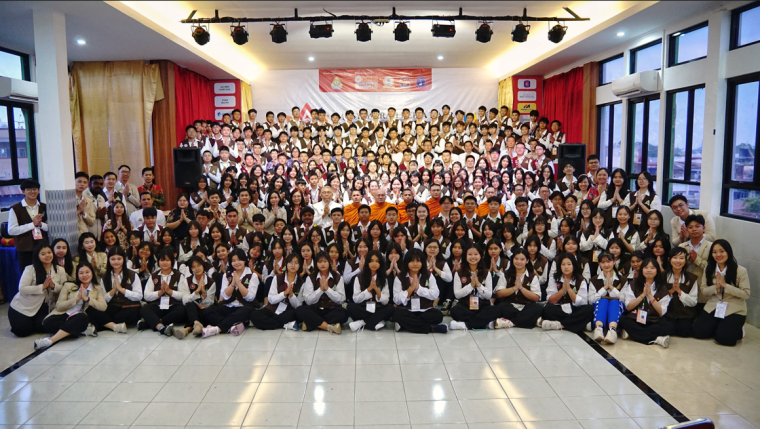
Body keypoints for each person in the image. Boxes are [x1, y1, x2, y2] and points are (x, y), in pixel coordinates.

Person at [35, 262, 106, 350]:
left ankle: (51, 340)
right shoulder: (69, 285)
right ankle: (82, 330)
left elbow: (103, 307)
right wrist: (76, 300)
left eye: (87, 272)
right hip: (64, 313)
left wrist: (87, 299)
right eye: (81, 273)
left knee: (82, 318)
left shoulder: (97, 288)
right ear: (77, 274)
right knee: (47, 323)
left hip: (79, 316)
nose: (84, 275)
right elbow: (59, 306)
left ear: (92, 273)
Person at [692, 240, 750, 346]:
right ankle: (721, 325)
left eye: (722, 251)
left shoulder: (741, 270)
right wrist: (716, 287)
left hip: (734, 308)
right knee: (698, 332)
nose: (718, 255)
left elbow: (746, 294)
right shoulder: (709, 268)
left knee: (724, 339)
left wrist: (726, 286)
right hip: (714, 305)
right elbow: (704, 290)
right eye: (714, 252)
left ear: (728, 252)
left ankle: (739, 330)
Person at [8, 244, 68, 337]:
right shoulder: (30, 269)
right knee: (22, 331)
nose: (47, 255)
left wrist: (53, 286)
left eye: (49, 252)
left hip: (44, 307)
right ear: (37, 256)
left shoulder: (60, 269)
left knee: (44, 326)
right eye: (43, 254)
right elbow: (22, 288)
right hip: (23, 306)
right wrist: (42, 287)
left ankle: (34, 323)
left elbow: (65, 288)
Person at [449, 244, 509, 330]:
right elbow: (457, 295)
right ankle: (484, 323)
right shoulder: (459, 273)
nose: (473, 257)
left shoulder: (486, 273)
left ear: (480, 256)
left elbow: (488, 295)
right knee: (455, 311)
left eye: (476, 254)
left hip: (482, 306)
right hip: (465, 305)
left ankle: (465, 325)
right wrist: (471, 286)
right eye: (470, 254)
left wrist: (479, 285)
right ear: (465, 256)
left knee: (496, 310)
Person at [200, 248, 257, 338]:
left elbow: (250, 297)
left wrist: (239, 284)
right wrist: (233, 284)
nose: (236, 263)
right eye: (233, 261)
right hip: (229, 306)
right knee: (208, 311)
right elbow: (224, 296)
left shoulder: (252, 275)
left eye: (239, 260)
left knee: (247, 311)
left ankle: (217, 329)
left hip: (244, 306)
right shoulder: (227, 275)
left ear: (244, 260)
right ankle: (232, 326)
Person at [618, 258, 672, 348]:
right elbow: (628, 307)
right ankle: (656, 339)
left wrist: (650, 296)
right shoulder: (633, 285)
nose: (649, 270)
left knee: (668, 326)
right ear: (642, 269)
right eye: (646, 267)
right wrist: (642, 295)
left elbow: (661, 312)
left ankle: (633, 334)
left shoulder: (662, 288)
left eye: (652, 268)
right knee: (623, 320)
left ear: (657, 271)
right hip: (636, 319)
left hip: (653, 320)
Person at [392, 249, 448, 334]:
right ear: (407, 262)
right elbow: (396, 300)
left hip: (424, 310)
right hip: (407, 310)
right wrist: (410, 289)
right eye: (412, 261)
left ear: (422, 262)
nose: (415, 264)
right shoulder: (400, 277)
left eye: (418, 261)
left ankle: (405, 325)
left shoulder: (428, 275)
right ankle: (432, 328)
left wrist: (419, 289)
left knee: (438, 315)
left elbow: (435, 294)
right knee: (397, 314)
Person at [90, 247, 142, 334]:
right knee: (92, 310)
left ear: (123, 259)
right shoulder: (105, 277)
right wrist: (113, 291)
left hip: (128, 307)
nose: (116, 262)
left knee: (131, 313)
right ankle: (114, 326)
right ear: (109, 260)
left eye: (119, 259)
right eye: (113, 259)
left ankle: (103, 324)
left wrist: (122, 290)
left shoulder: (132, 274)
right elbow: (103, 299)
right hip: (112, 307)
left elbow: (139, 296)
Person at [139, 248, 189, 336]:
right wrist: (159, 293)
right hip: (158, 306)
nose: (164, 263)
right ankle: (161, 327)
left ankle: (154, 323)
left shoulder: (179, 276)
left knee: (183, 310)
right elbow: (146, 296)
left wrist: (169, 291)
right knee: (144, 309)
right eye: (162, 260)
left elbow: (183, 296)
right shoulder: (153, 276)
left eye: (167, 260)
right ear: (158, 262)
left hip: (173, 306)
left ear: (172, 261)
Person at [296, 251, 349, 333]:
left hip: (331, 308)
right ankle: (329, 327)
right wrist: (320, 290)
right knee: (300, 310)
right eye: (320, 262)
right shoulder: (310, 278)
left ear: (329, 262)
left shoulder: (337, 277)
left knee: (343, 313)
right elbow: (308, 301)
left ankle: (311, 323)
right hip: (315, 308)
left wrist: (327, 290)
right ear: (316, 264)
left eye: (325, 261)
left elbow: (341, 299)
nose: (322, 264)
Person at [541, 253, 595, 333]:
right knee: (547, 310)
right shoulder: (554, 278)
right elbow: (551, 300)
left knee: (589, 309)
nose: (566, 267)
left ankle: (560, 325)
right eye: (563, 264)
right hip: (559, 308)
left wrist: (569, 289)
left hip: (574, 309)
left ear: (574, 265)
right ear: (560, 266)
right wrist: (563, 290)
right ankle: (579, 324)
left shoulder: (581, 280)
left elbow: (583, 302)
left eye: (569, 264)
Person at [251, 253, 305, 330]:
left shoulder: (301, 283)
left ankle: (271, 323)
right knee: (254, 315)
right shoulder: (277, 278)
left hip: (288, 311)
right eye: (290, 262)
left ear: (299, 265)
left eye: (296, 263)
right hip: (273, 308)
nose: (293, 265)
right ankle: (283, 324)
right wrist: (284, 293)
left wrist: (291, 295)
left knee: (293, 314)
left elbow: (298, 306)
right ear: (286, 264)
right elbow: (271, 299)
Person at [493, 248, 543, 328]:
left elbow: (536, 297)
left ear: (527, 261)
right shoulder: (506, 274)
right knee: (501, 307)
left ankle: (511, 323)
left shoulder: (532, 276)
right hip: (510, 305)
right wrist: (514, 288)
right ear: (512, 260)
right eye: (516, 259)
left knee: (537, 307)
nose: (518, 262)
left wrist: (521, 288)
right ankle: (530, 320)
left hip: (526, 306)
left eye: (522, 259)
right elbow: (499, 293)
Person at [347, 250, 395, 331]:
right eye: (371, 261)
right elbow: (355, 299)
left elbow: (386, 301)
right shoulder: (359, 278)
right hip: (364, 307)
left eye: (377, 261)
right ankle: (377, 321)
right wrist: (368, 289)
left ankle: (362, 322)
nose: (374, 264)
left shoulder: (384, 279)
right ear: (367, 262)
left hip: (378, 308)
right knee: (350, 307)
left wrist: (376, 289)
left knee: (390, 308)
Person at [7, 179, 48, 270]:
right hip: (25, 249)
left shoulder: (44, 207)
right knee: (27, 273)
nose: (32, 191)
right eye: (29, 189)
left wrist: (40, 225)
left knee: (43, 271)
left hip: (42, 247)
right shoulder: (15, 209)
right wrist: (32, 225)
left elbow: (51, 227)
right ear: (23, 191)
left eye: (35, 189)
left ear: (38, 190)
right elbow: (11, 230)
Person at [663, 247, 699, 337]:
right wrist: (671, 291)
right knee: (668, 329)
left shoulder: (691, 278)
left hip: (685, 314)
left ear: (685, 261)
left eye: (681, 258)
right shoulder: (662, 276)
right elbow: (657, 298)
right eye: (675, 257)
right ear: (669, 259)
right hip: (667, 314)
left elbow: (693, 302)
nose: (678, 261)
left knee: (684, 331)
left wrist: (680, 292)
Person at [591, 251, 626, 344]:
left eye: (609, 261)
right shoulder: (594, 280)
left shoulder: (623, 280)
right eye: (603, 262)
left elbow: (624, 299)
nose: (606, 265)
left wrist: (611, 287)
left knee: (614, 302)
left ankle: (612, 330)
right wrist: (604, 288)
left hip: (617, 308)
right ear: (599, 264)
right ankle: (598, 329)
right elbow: (590, 300)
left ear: (614, 262)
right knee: (603, 301)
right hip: (600, 307)